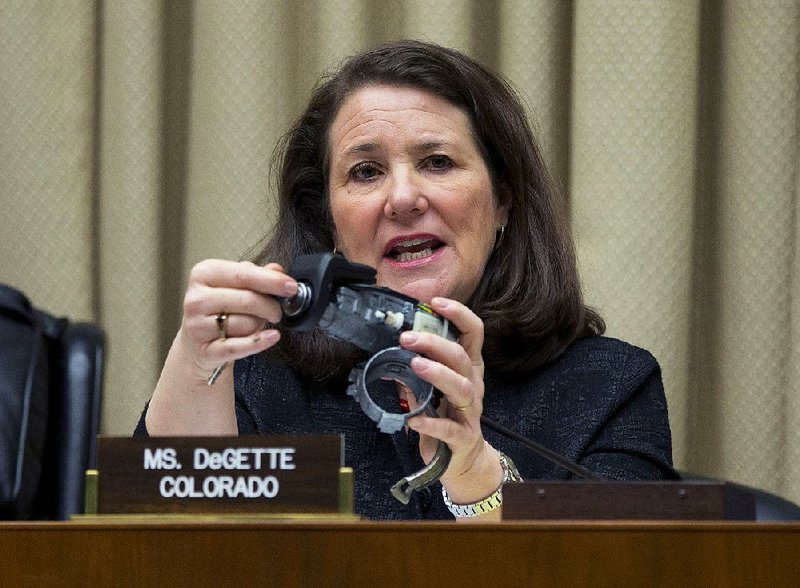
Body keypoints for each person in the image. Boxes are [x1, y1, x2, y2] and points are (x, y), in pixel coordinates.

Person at [136, 40, 676, 520]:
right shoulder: (259, 377)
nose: (402, 199)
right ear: (328, 220)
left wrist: (473, 472)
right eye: (366, 172)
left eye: (437, 162)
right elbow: (165, 554)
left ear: (503, 200)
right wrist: (196, 360)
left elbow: (622, 569)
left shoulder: (611, 385)